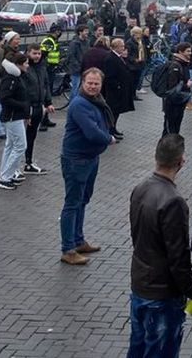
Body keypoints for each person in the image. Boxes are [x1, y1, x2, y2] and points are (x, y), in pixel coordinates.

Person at [128, 134, 192, 358]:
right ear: (181, 161)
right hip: (162, 292)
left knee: (138, 345)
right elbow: (178, 257)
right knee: (161, 350)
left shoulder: (140, 188)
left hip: (140, 283)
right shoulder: (173, 201)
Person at [59, 68, 115, 265]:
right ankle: (68, 249)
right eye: (89, 83)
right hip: (77, 159)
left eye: (96, 83)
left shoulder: (95, 101)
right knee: (72, 203)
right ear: (82, 82)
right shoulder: (80, 104)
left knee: (82, 200)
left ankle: (78, 240)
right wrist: (109, 138)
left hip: (90, 157)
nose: (92, 86)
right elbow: (92, 132)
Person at [0, 53, 30, 191]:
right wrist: (23, 106)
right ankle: (5, 177)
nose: (27, 65)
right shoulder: (11, 79)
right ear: (19, 64)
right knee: (20, 146)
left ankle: (6, 174)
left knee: (11, 145)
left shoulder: (15, 77)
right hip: (12, 117)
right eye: (26, 63)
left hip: (15, 116)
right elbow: (5, 98)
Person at [22, 44, 55, 175]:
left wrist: (48, 102)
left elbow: (45, 85)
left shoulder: (42, 67)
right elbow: (23, 90)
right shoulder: (25, 67)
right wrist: (26, 111)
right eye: (34, 53)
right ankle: (22, 162)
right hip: (28, 106)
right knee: (22, 137)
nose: (37, 56)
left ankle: (28, 162)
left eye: (39, 53)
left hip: (39, 105)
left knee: (32, 135)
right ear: (28, 53)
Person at [161, 44, 192, 137]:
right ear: (180, 52)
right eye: (188, 51)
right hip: (172, 101)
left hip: (180, 100)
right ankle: (165, 147)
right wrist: (186, 85)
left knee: (176, 126)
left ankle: (173, 147)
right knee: (169, 128)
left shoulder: (184, 63)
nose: (190, 53)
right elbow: (172, 85)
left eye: (190, 51)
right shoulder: (175, 65)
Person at [104, 38, 135, 138]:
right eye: (121, 46)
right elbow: (109, 76)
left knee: (117, 112)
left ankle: (114, 129)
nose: (123, 48)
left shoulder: (119, 57)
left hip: (120, 89)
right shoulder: (110, 59)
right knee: (113, 111)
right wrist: (118, 86)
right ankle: (110, 131)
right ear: (115, 47)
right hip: (114, 91)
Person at [67, 26, 90, 95]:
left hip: (84, 69)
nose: (87, 32)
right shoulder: (74, 43)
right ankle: (73, 104)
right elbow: (71, 56)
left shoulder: (87, 42)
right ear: (80, 32)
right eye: (85, 31)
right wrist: (77, 66)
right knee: (75, 89)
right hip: (76, 69)